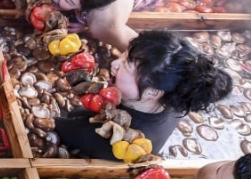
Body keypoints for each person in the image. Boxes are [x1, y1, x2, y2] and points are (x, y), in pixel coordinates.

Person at [56, 30, 232, 160]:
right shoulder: (175, 97)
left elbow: (57, 128)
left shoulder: (106, 135)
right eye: (124, 55)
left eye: (126, 65)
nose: (115, 64)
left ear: (153, 92)